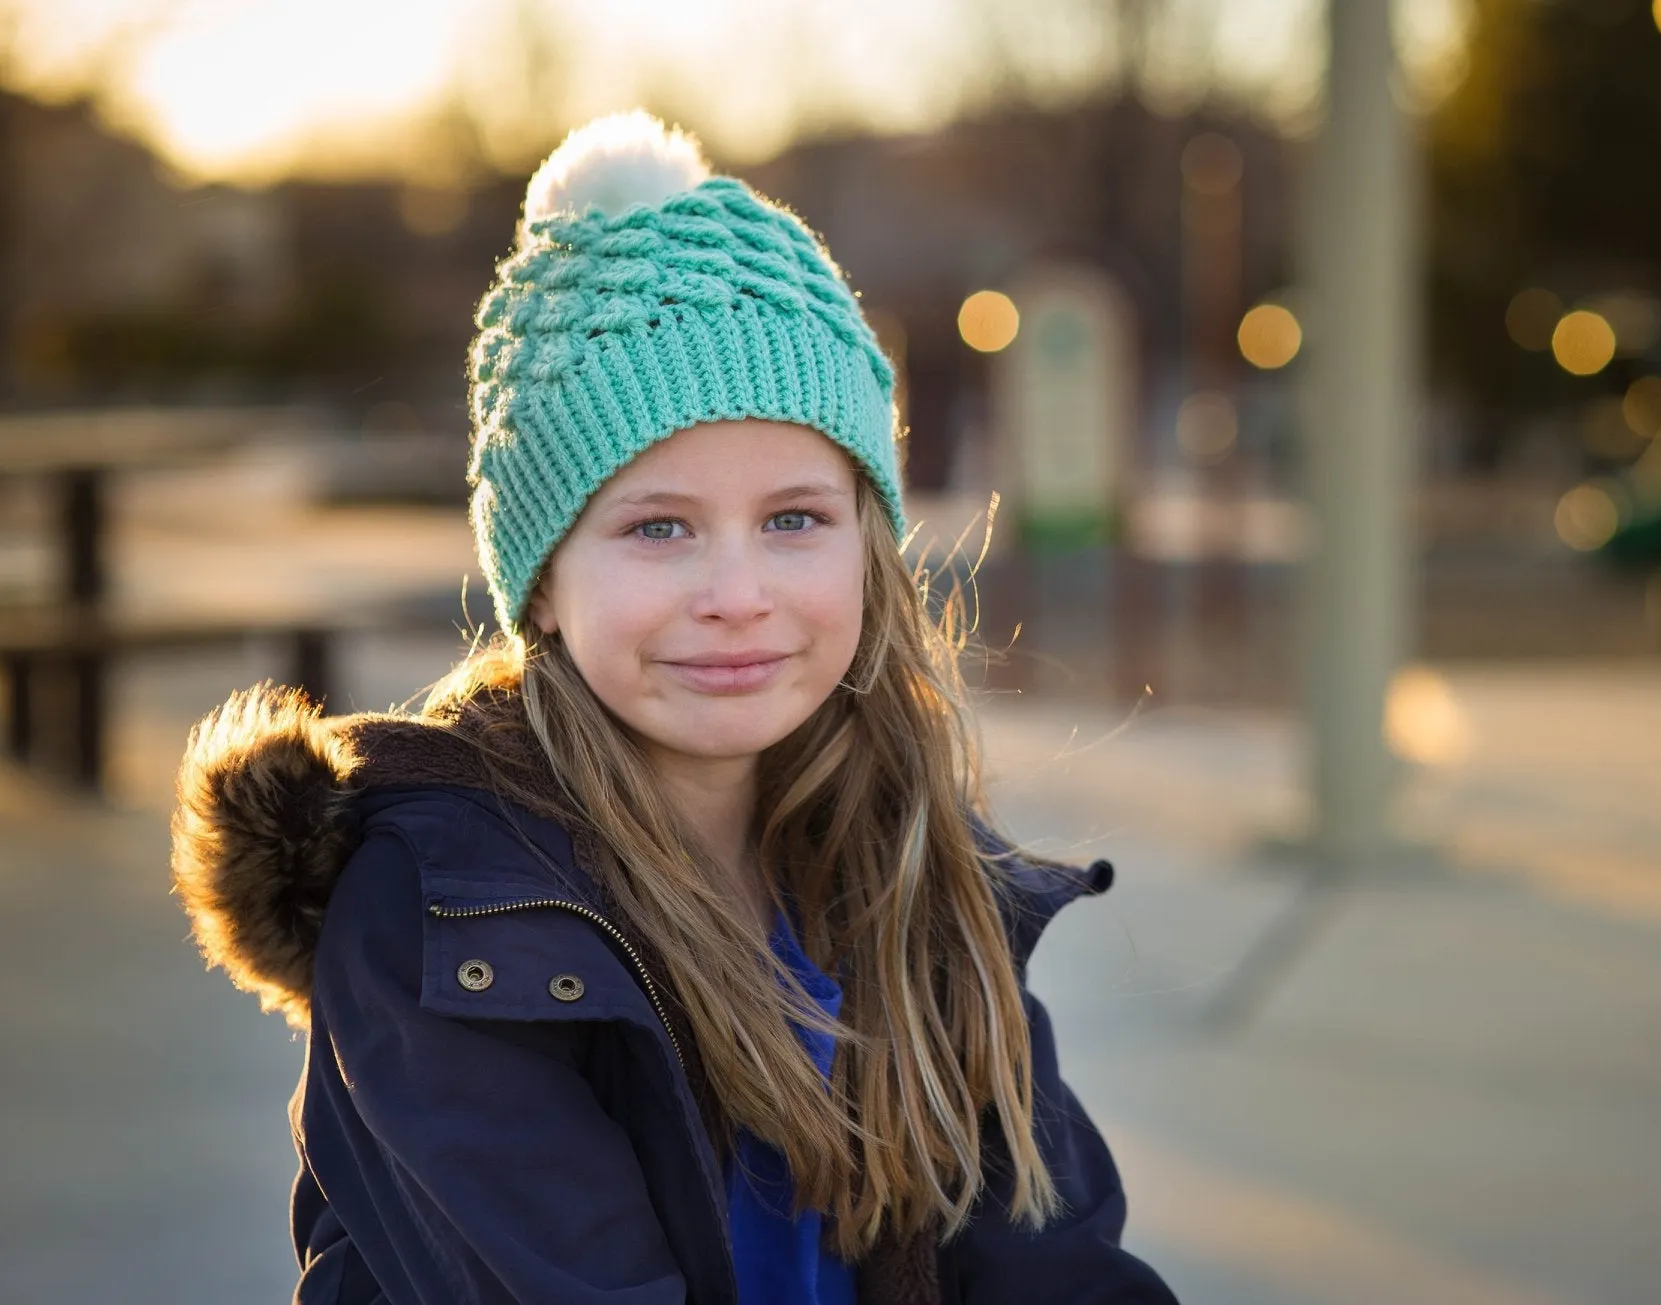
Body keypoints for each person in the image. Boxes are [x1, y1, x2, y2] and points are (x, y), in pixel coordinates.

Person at [171, 111, 1176, 1305]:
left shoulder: (919, 876)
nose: (738, 597)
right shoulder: (443, 913)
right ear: (541, 583)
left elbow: (1049, 1259)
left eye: (794, 518)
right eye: (659, 528)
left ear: (870, 547)